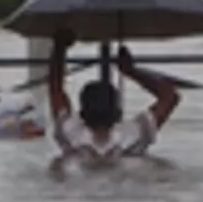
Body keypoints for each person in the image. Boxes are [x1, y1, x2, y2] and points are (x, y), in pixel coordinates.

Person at [47, 29, 181, 162]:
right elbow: (170, 96)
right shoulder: (135, 135)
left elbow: (55, 88)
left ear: (82, 114)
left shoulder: (70, 134)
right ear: (118, 113)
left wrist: (60, 47)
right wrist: (131, 71)